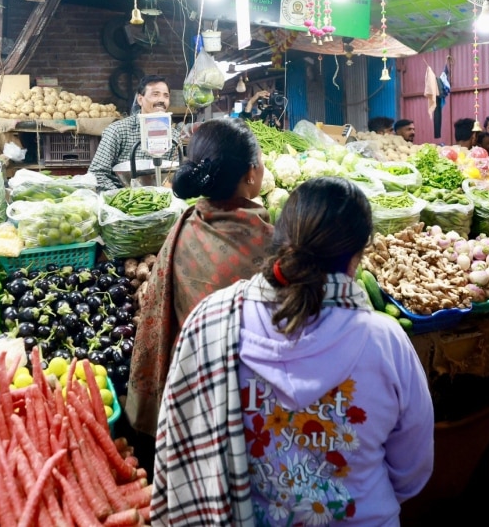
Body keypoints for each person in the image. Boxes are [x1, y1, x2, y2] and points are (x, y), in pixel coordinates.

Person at [153, 177, 434, 526]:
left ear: (279, 239)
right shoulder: (387, 342)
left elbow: (181, 452)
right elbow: (412, 472)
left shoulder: (210, 321)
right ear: (357, 257)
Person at [127, 118, 274, 437]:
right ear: (251, 174)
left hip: (187, 390)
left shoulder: (184, 228)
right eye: (261, 162)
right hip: (251, 405)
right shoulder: (269, 243)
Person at [89, 75, 182, 192]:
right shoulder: (117, 130)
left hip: (162, 200)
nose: (161, 100)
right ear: (140, 99)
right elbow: (96, 174)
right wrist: (122, 196)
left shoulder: (174, 136)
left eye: (166, 96)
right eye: (155, 94)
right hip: (122, 200)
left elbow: (176, 175)